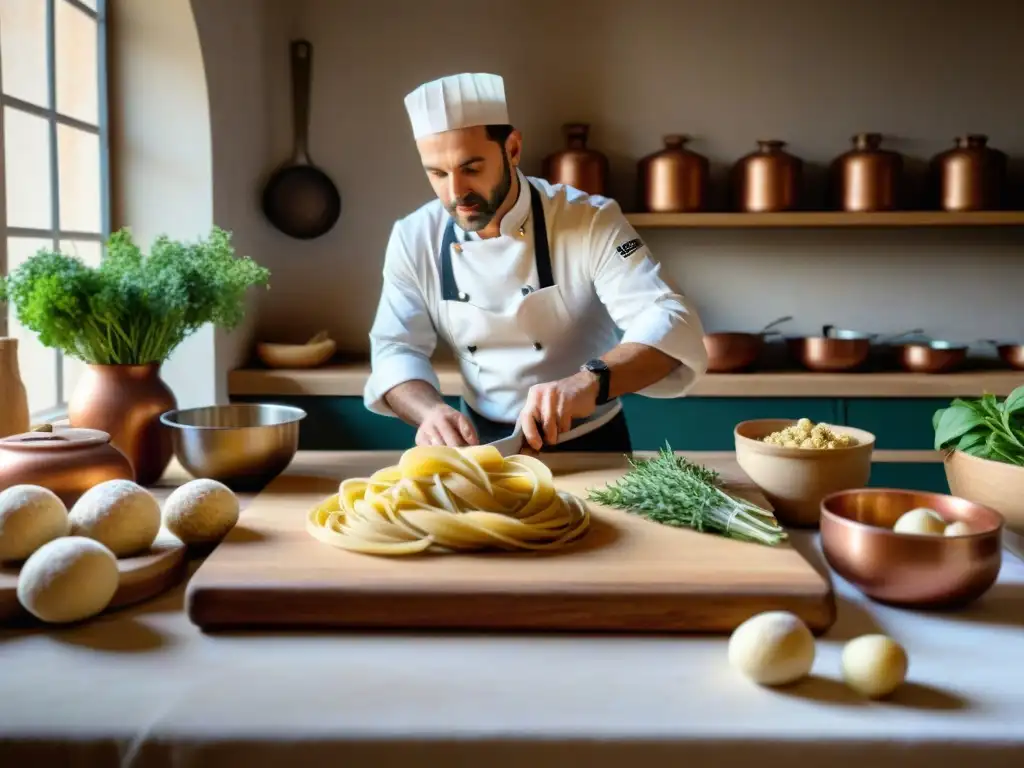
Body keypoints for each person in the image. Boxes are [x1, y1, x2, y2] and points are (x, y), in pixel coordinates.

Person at [364, 72, 708, 453]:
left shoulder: (590, 220)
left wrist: (588, 381)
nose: (455, 192)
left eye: (471, 168)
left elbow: (668, 316)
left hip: (589, 445)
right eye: (437, 173)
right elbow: (395, 348)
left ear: (512, 149)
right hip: (477, 448)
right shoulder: (414, 237)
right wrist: (429, 412)